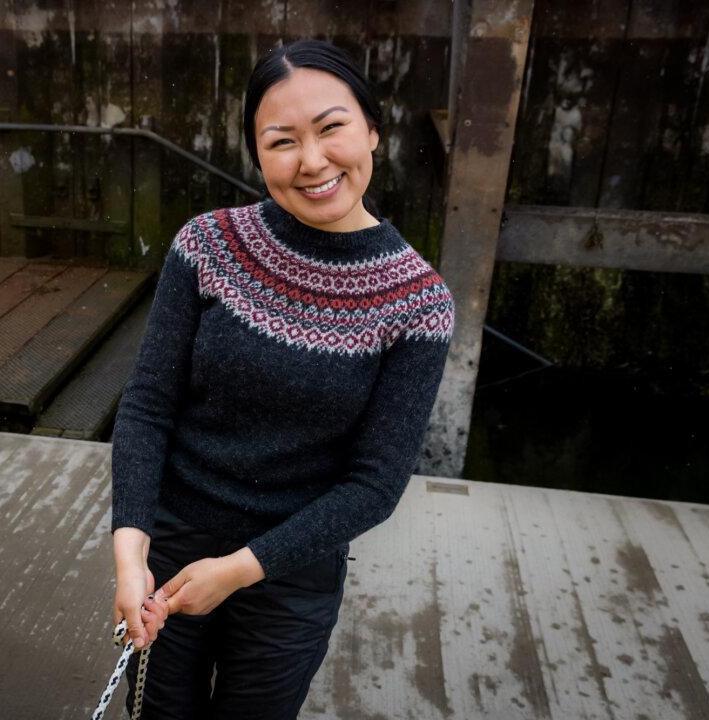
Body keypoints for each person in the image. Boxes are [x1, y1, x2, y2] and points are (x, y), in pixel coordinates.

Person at [109, 39, 455, 719]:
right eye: (281, 141)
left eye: (332, 128)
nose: (312, 161)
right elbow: (147, 406)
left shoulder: (418, 302)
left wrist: (240, 569)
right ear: (257, 153)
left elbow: (375, 485)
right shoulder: (205, 244)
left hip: (291, 569)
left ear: (373, 131)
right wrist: (130, 556)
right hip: (169, 552)